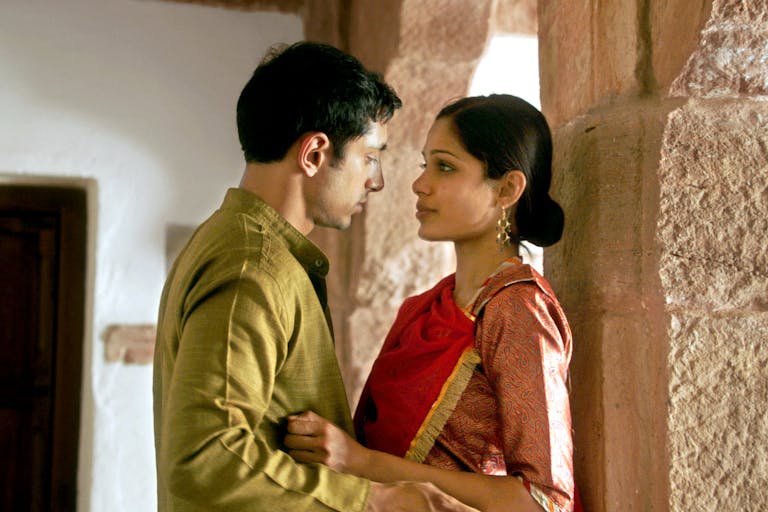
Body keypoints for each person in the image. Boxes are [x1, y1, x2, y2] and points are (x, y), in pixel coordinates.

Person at [153, 41, 481, 512]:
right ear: (314, 154)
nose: (378, 180)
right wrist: (380, 502)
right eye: (370, 156)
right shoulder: (252, 266)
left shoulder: (246, 248)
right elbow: (207, 456)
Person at [285, 94, 581, 512]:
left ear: (507, 189)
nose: (419, 183)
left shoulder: (516, 311)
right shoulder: (425, 308)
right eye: (426, 165)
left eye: (445, 166)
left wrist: (363, 462)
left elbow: (542, 501)